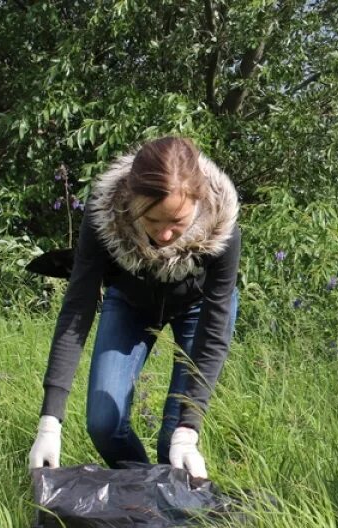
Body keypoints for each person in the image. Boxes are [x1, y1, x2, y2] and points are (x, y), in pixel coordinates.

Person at [28, 136, 240, 478]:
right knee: (103, 424)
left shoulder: (222, 228)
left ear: (198, 204)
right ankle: (145, 499)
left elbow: (214, 331)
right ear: (130, 201)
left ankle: (168, 511)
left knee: (173, 443)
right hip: (130, 301)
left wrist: (189, 430)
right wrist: (49, 422)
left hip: (199, 309)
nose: (165, 235)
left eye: (177, 223)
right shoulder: (103, 218)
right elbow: (77, 309)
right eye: (153, 221)